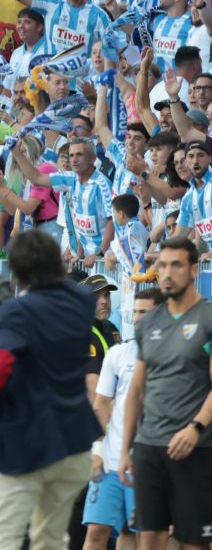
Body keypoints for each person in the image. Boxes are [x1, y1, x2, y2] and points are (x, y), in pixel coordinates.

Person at [118, 235, 212, 550]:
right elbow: (137, 389)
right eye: (161, 265)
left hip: (196, 448)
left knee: (192, 542)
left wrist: (195, 428)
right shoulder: (148, 323)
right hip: (149, 446)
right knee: (149, 538)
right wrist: (126, 449)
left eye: (176, 265)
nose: (167, 273)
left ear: (194, 269)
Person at [0, 228, 103, 548]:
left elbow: (2, 366)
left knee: (7, 538)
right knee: (52, 539)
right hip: (73, 440)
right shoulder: (82, 301)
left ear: (17, 270)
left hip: (26, 443)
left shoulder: (16, 313)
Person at [87, 285, 158, 550]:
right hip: (110, 461)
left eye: (145, 312)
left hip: (149, 462)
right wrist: (97, 449)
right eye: (136, 312)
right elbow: (101, 403)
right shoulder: (118, 353)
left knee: (140, 535)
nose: (138, 318)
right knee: (96, 531)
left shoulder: (176, 355)